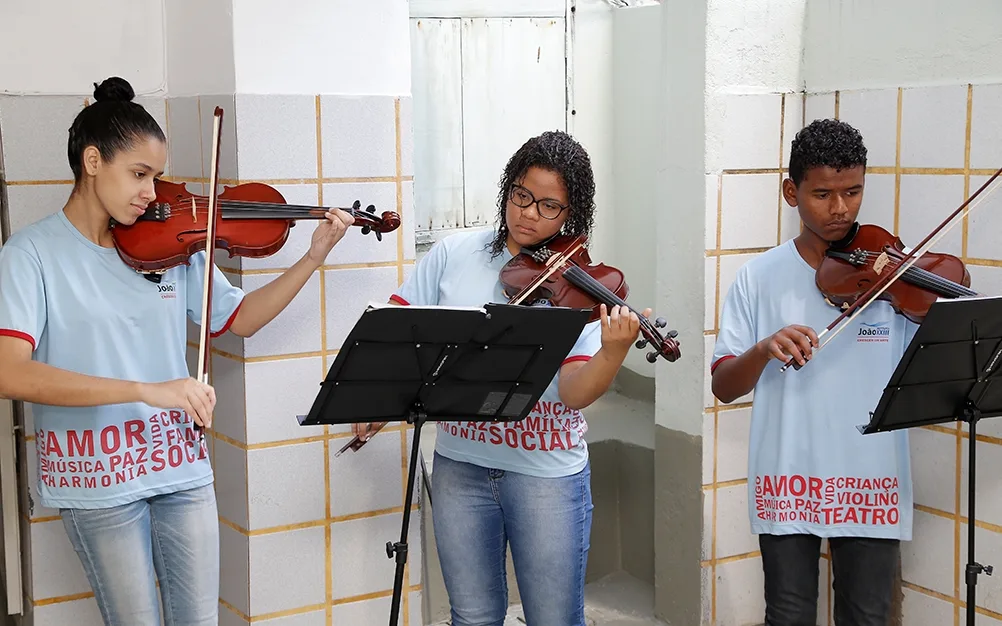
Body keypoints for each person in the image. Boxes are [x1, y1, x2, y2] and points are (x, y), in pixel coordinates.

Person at [0, 77, 354, 626]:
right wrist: (148, 390)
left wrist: (312, 257)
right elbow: (10, 374)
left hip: (179, 468)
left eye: (156, 177)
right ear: (93, 161)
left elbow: (241, 320)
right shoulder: (30, 255)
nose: (151, 192)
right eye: (138, 174)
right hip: (98, 478)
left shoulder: (171, 249)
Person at [351, 130, 647, 626]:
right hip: (460, 466)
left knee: (553, 619)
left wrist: (614, 352)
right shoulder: (454, 254)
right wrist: (385, 400)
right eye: (522, 196)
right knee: (471, 617)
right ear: (508, 189)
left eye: (549, 206)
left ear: (571, 213)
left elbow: (574, 392)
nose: (529, 213)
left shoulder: (579, 285)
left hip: (546, 474)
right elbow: (400, 331)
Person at [710, 118, 916, 625]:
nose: (840, 208)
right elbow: (723, 385)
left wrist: (923, 295)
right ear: (791, 192)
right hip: (789, 475)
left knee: (866, 616)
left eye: (853, 191)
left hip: (870, 478)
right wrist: (762, 349)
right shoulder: (759, 276)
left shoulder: (893, 279)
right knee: (787, 614)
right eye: (823, 193)